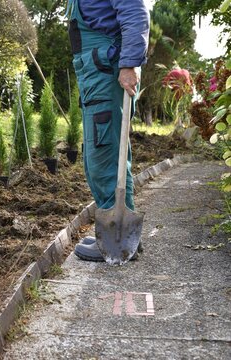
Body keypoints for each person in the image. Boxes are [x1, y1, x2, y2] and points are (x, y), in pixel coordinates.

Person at [66, 0, 150, 261]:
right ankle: (120, 236)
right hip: (96, 75)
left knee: (105, 155)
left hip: (105, 74)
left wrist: (128, 64)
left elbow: (136, 12)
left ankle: (119, 242)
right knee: (101, 155)